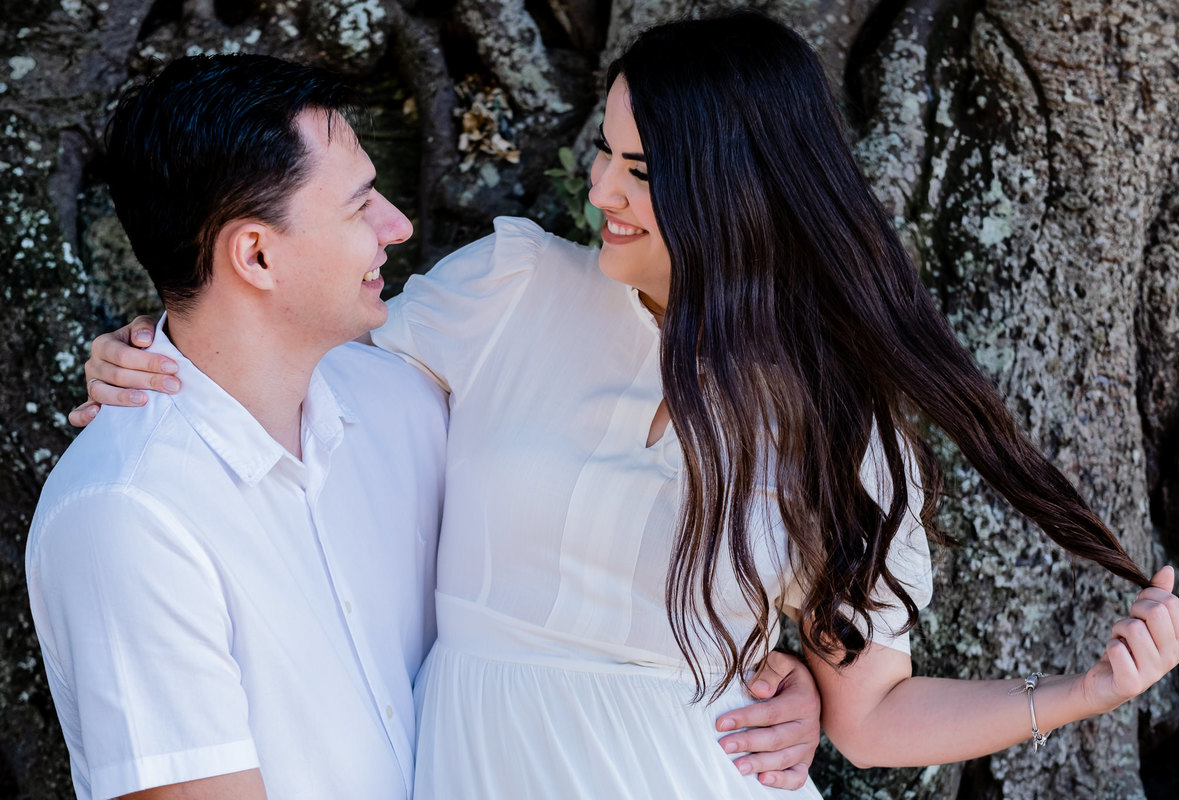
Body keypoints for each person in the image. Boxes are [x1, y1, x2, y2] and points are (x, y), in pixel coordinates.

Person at [74, 10, 1179, 800]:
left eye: (642, 170)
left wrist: (1080, 690)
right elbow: (284, 354)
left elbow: (875, 718)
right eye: (606, 152)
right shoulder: (511, 290)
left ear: (737, 188)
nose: (601, 189)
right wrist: (150, 351)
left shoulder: (841, 430)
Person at [39, 50, 822, 800]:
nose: (398, 226)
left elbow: (590, 529)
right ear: (257, 256)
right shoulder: (129, 514)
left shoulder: (405, 405)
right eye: (359, 205)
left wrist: (778, 683)